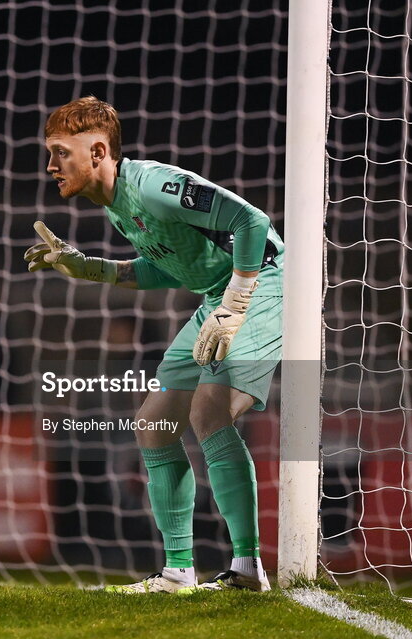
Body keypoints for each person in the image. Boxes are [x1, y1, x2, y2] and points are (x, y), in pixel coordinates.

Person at [24, 96, 284, 593]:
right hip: (220, 293)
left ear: (98, 151)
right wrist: (86, 267)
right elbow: (170, 265)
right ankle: (178, 571)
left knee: (209, 412)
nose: (51, 165)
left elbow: (250, 222)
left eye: (60, 152)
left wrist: (235, 301)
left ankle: (249, 569)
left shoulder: (154, 186)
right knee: (153, 424)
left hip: (266, 282)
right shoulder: (117, 205)